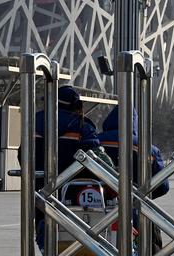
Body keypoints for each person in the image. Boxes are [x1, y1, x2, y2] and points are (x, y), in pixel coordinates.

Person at [28, 85, 112, 251]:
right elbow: (96, 158)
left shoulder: (35, 121)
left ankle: (47, 248)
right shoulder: (82, 126)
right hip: (73, 190)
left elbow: (23, 152)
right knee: (75, 228)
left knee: (43, 220)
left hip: (40, 185)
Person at [100, 106, 170, 251]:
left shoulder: (96, 142)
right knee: (149, 238)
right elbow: (163, 186)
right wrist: (143, 195)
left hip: (98, 206)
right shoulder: (148, 148)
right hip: (136, 209)